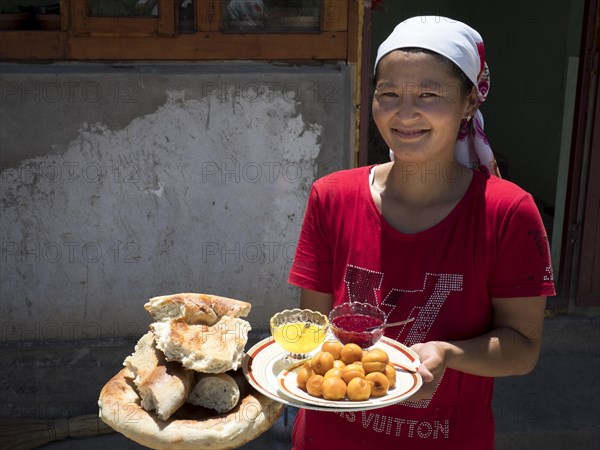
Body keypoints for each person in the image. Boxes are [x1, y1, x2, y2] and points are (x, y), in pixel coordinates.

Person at [287, 16, 555, 450]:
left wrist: (449, 354)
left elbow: (523, 348)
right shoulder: (331, 196)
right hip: (328, 436)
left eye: (429, 95)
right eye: (388, 93)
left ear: (469, 101)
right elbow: (315, 328)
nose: (405, 112)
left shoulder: (507, 211)